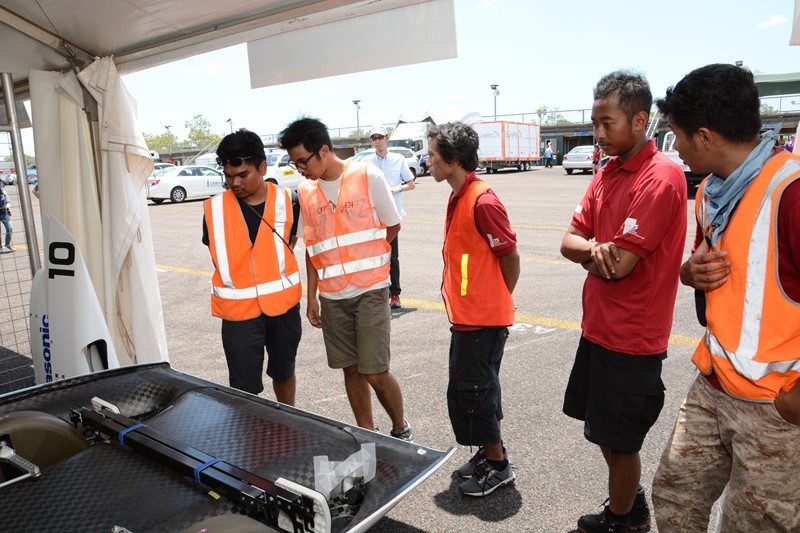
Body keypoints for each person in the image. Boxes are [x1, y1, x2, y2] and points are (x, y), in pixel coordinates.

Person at [651, 64, 800, 532]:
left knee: (755, 525)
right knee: (674, 498)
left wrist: (794, 404)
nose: (676, 150)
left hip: (776, 406)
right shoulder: (712, 193)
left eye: (677, 137)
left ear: (706, 136)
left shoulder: (791, 193)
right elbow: (720, 277)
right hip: (714, 385)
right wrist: (687, 273)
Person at [559, 70, 687, 532]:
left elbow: (622, 265)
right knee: (603, 433)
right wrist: (596, 251)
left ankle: (623, 521)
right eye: (595, 123)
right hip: (598, 329)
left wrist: (592, 252)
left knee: (622, 441)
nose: (598, 133)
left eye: (606, 123)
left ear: (639, 121)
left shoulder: (662, 176)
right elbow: (570, 242)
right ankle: (628, 503)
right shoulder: (608, 171)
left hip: (633, 339)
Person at [278, 117, 412, 441]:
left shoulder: (368, 175)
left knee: (375, 370)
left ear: (323, 150)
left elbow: (392, 224)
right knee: (350, 369)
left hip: (370, 290)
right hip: (333, 296)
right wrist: (311, 297)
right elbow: (312, 246)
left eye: (302, 161)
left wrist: (375, 260)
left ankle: (400, 426)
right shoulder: (306, 192)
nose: (300, 169)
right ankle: (367, 432)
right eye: (294, 164)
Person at [428, 121, 520, 497]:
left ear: (452, 159)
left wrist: (498, 297)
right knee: (474, 390)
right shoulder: (459, 194)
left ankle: (499, 466)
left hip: (482, 320)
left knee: (476, 392)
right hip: (469, 317)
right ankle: (487, 452)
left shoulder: (482, 200)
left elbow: (510, 255)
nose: (427, 161)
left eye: (432, 156)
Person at [201, 129, 303, 403]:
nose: (235, 183)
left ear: (262, 167)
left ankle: (289, 421)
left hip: (283, 308)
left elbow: (289, 244)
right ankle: (252, 438)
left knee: (284, 372)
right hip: (238, 314)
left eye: (243, 175)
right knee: (244, 388)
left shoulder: (289, 201)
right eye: (229, 176)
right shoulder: (213, 209)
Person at [365, 125, 416, 310]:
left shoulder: (398, 159)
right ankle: (379, 293)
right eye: (374, 138)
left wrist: (396, 188)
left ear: (386, 138)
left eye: (380, 137)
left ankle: (395, 294)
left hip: (392, 216)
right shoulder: (367, 163)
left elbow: (411, 184)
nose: (377, 140)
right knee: (376, 256)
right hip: (374, 217)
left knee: (392, 257)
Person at [0, 183, 13, 253]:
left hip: (4, 212)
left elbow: (9, 201)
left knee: (10, 228)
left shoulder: (4, 192)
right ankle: (0, 247)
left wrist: (7, 206)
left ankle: (7, 244)